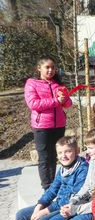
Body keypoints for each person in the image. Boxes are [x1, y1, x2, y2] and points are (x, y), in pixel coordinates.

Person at [8, 136, 88, 220]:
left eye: (68, 151)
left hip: (69, 207)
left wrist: (44, 211)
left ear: (77, 150)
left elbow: (69, 199)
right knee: (21, 215)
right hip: (57, 204)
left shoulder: (82, 169)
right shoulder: (63, 168)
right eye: (60, 153)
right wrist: (39, 206)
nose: (64, 156)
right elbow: (52, 190)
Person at [24, 55, 73, 190]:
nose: (51, 70)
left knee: (60, 156)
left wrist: (64, 99)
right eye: (47, 67)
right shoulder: (32, 83)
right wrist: (56, 101)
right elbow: (33, 104)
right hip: (42, 127)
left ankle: (60, 183)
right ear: (39, 68)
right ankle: (48, 187)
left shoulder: (58, 84)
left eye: (53, 68)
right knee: (45, 158)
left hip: (59, 125)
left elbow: (68, 104)